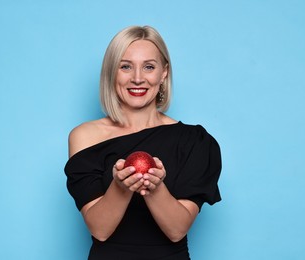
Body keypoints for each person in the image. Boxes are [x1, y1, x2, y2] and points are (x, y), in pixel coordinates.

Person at [64, 25, 222, 260]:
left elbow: (177, 230)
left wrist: (155, 189)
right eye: (125, 66)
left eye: (149, 67)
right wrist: (121, 187)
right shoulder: (85, 136)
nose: (137, 78)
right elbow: (100, 230)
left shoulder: (195, 142)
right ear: (112, 73)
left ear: (164, 73)